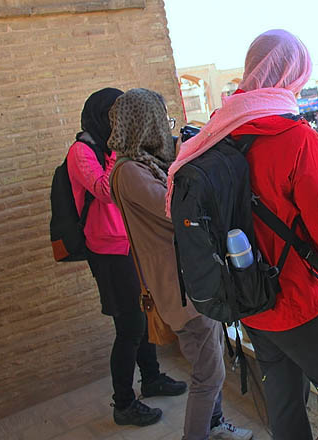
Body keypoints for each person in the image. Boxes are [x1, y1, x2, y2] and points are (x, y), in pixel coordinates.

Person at [166, 29, 318, 439]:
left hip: (250, 296)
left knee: (284, 405)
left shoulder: (219, 131)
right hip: (299, 303)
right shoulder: (296, 137)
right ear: (292, 74)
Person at [107, 88, 252, 440]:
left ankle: (214, 425)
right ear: (146, 125)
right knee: (210, 374)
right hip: (181, 290)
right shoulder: (130, 173)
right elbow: (176, 209)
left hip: (190, 281)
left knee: (210, 362)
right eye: (162, 121)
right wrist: (189, 157)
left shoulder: (144, 165)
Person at [66, 88, 186, 426]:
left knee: (144, 313)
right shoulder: (81, 151)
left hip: (131, 243)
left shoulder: (113, 151)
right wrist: (125, 157)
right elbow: (106, 190)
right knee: (130, 325)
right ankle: (123, 403)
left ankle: (151, 377)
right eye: (114, 116)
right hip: (107, 251)